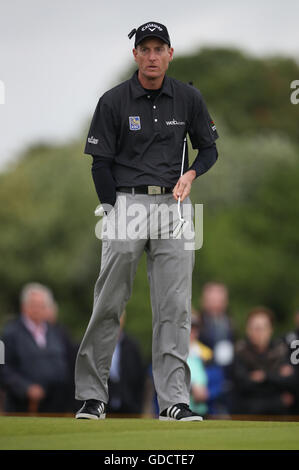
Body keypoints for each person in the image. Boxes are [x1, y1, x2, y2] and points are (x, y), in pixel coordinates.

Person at [75, 21, 219, 421]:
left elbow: (208, 151)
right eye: (146, 49)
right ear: (135, 55)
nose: (153, 56)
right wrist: (111, 209)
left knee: (175, 307)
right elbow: (100, 163)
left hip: (175, 206)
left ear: (170, 54)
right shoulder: (114, 100)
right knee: (109, 301)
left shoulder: (188, 98)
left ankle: (173, 401)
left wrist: (190, 174)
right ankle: (92, 396)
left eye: (160, 49)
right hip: (126, 204)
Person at [0, 283, 73, 413]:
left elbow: (69, 363)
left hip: (57, 404)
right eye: (34, 305)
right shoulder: (10, 333)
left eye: (42, 306)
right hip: (24, 406)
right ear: (24, 307)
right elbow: (4, 368)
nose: (38, 309)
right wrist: (25, 387)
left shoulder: (58, 332)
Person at [232, 306, 297, 415]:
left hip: (280, 413)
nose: (258, 333)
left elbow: (291, 381)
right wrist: (276, 377)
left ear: (271, 330)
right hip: (248, 412)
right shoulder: (240, 351)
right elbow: (243, 384)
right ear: (247, 330)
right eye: (255, 328)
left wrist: (264, 376)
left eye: (262, 328)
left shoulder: (282, 351)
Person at [107, 312, 145, 415]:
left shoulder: (132, 347)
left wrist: (137, 406)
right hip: (104, 405)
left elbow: (140, 379)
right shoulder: (96, 346)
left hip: (129, 406)